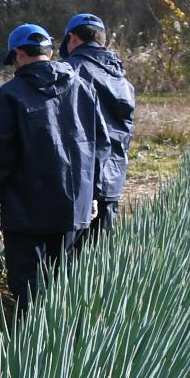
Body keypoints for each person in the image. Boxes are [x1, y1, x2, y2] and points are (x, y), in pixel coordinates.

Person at [0, 23, 103, 310]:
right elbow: (97, 144)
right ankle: (63, 341)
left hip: (27, 207)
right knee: (64, 279)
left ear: (19, 53)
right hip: (74, 203)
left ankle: (30, 343)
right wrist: (93, 191)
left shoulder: (10, 94)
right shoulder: (82, 86)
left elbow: (0, 155)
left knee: (28, 284)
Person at [61, 13, 136, 233]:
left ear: (72, 38)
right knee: (100, 254)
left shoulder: (68, 71)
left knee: (71, 260)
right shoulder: (121, 77)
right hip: (113, 177)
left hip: (79, 183)